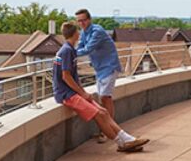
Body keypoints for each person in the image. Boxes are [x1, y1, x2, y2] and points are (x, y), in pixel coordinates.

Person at [53, 23, 148, 152]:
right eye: (78, 32)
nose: (80, 34)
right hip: (67, 95)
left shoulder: (69, 50)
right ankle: (121, 143)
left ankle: (128, 139)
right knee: (98, 114)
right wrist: (82, 93)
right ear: (75, 34)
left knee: (104, 112)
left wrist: (83, 93)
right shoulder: (67, 51)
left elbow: (72, 76)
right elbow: (66, 76)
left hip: (73, 92)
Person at [74, 8, 121, 143]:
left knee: (105, 97)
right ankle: (108, 128)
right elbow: (81, 46)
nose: (81, 23)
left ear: (89, 19)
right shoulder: (84, 32)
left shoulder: (97, 31)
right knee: (103, 99)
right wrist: (72, 50)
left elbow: (88, 49)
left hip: (109, 66)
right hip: (100, 69)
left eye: (83, 20)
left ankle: (109, 130)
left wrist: (69, 53)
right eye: (79, 21)